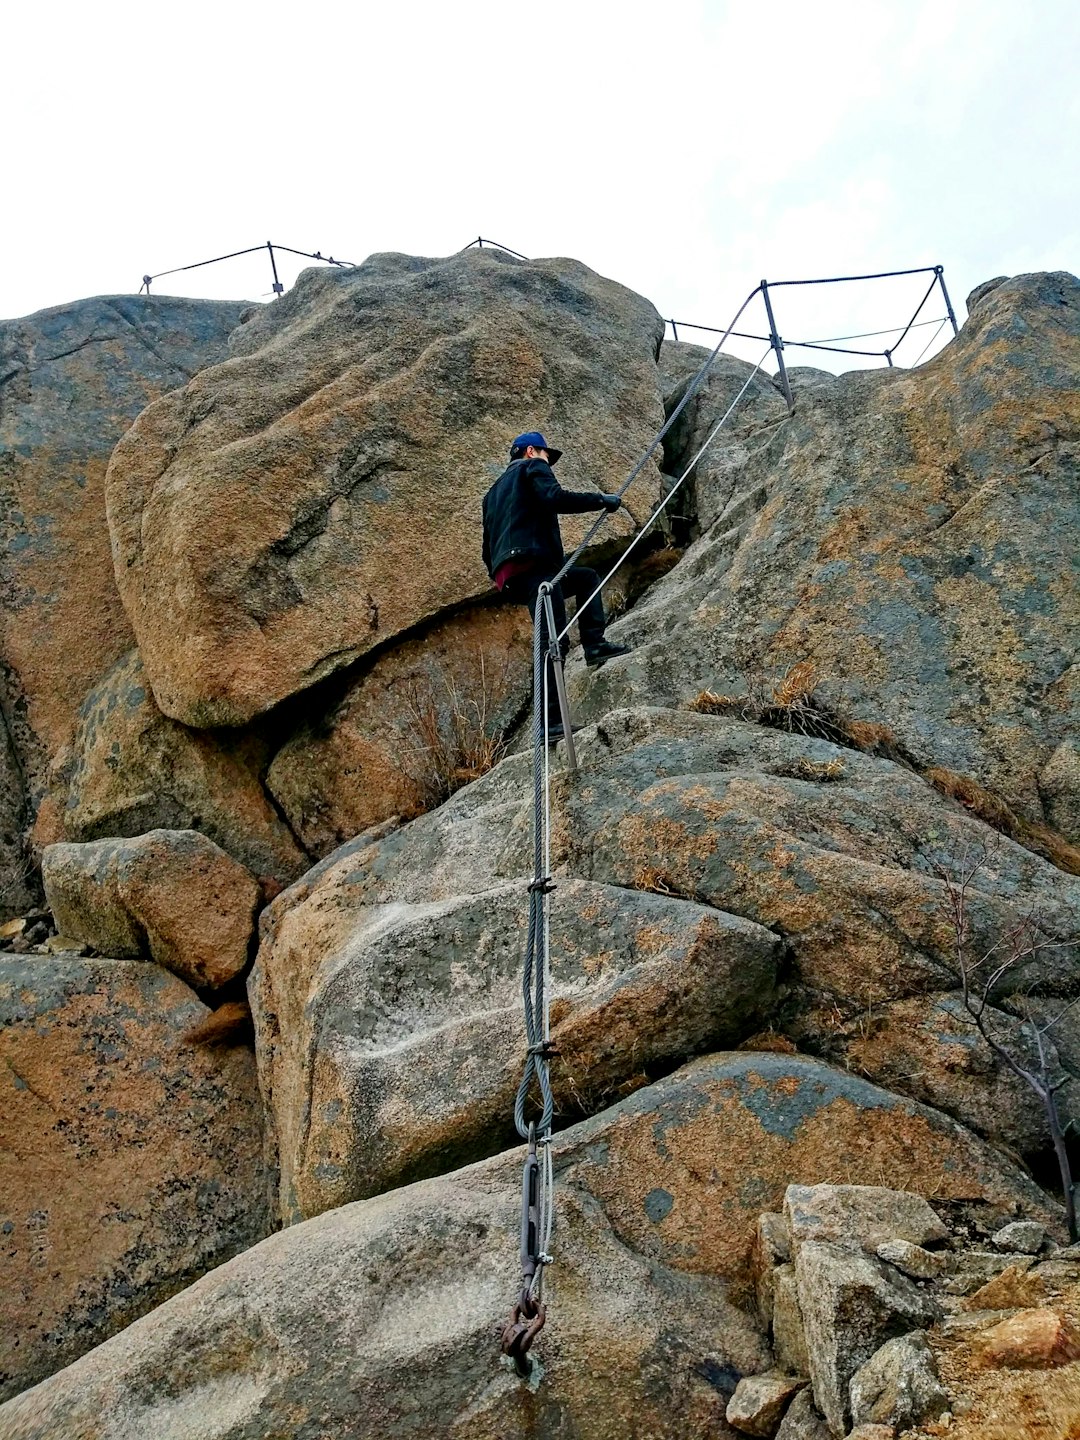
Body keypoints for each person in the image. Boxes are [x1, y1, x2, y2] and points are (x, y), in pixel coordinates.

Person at [482, 431, 631, 738]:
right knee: (554, 640)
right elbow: (555, 497)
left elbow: (487, 546)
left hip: (510, 574)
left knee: (586, 578)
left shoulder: (492, 493)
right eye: (546, 455)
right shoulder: (532, 466)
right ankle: (549, 722)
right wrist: (601, 500)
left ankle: (595, 645)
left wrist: (499, 572)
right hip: (535, 563)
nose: (548, 462)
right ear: (531, 451)